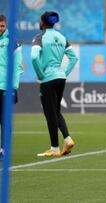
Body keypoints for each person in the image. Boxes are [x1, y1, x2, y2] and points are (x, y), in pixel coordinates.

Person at [31, 11, 78, 157]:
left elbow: (33, 57)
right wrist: (64, 73)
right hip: (60, 77)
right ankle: (68, 139)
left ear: (43, 23)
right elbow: (74, 58)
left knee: (49, 113)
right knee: (56, 111)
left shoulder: (40, 37)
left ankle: (55, 148)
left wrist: (40, 74)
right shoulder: (62, 37)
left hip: (48, 78)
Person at [0, 14, 23, 160]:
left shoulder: (12, 42)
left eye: (2, 26)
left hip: (5, 87)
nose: (0, 29)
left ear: (6, 25)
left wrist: (13, 86)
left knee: (5, 120)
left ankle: (4, 149)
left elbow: (17, 66)